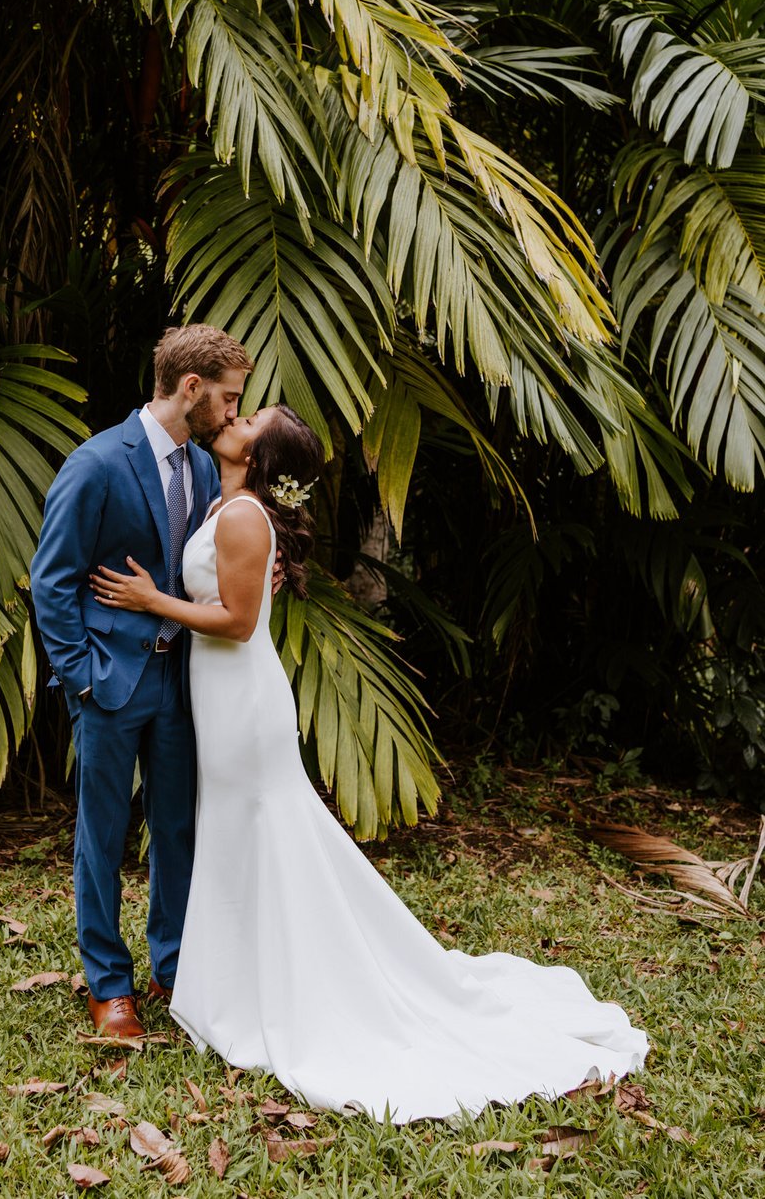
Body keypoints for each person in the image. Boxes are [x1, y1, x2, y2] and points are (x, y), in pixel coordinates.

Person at [89, 404, 649, 1122]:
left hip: (241, 701)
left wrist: (150, 599)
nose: (233, 419)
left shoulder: (242, 517)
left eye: (248, 421)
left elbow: (237, 620)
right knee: (241, 834)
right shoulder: (229, 502)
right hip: (227, 698)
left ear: (258, 459)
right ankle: (242, 979)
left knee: (263, 831)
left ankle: (277, 988)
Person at [30, 324, 252, 1041]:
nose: (231, 412)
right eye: (227, 398)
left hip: (183, 683)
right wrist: (83, 679)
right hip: (110, 683)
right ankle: (108, 985)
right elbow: (51, 581)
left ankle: (174, 967)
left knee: (178, 829)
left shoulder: (206, 468)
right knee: (103, 834)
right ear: (191, 388)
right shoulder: (96, 464)